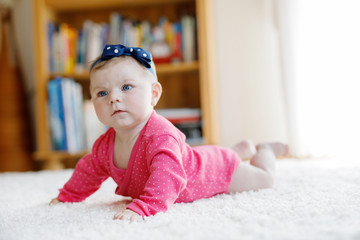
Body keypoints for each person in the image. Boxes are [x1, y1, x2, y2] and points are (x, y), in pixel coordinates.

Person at [50, 44, 289, 221]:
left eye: (126, 87)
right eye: (102, 93)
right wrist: (67, 196)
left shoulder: (160, 135)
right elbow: (89, 170)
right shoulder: (104, 146)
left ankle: (263, 150)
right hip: (197, 159)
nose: (114, 98)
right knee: (201, 155)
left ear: (154, 94)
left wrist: (144, 207)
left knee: (264, 180)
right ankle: (238, 149)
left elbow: (168, 177)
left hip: (217, 172)